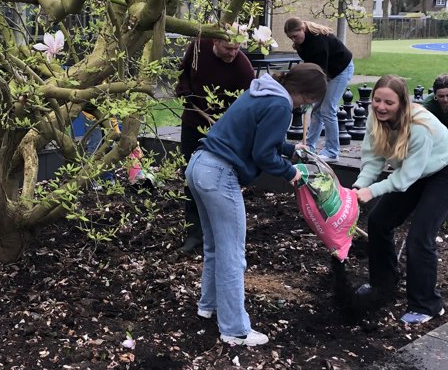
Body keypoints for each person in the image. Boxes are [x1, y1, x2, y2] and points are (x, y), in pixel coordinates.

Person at [185, 63, 327, 347]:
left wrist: (290, 149)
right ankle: (235, 330)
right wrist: (290, 172)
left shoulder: (262, 91)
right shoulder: (281, 106)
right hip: (219, 174)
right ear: (308, 95)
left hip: (199, 165)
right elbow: (263, 154)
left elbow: (254, 135)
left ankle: (208, 305)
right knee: (233, 254)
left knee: (214, 246)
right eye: (312, 100)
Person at [353, 75, 448, 324]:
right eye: (377, 100)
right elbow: (373, 159)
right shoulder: (376, 119)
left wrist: (372, 191)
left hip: (442, 171)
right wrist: (359, 186)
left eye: (389, 103)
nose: (381, 107)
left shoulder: (420, 126)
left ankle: (427, 305)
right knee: (378, 222)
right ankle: (383, 284)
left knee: (420, 236)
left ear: (403, 103)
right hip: (415, 170)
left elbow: (405, 179)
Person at [175, 37, 255, 253]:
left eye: (237, 49)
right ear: (216, 42)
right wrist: (184, 89)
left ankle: (221, 232)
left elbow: (249, 107)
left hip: (222, 132)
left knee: (219, 178)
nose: (233, 53)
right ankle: (194, 234)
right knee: (190, 176)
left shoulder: (244, 70)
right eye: (228, 48)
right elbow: (183, 71)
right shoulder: (199, 45)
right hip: (193, 121)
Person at [283, 18, 354, 161]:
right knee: (316, 110)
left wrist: (310, 94)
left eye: (295, 36)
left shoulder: (318, 42)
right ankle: (309, 146)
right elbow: (311, 67)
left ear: (303, 28)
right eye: (290, 37)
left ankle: (332, 152)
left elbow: (320, 75)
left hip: (340, 70)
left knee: (328, 109)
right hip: (325, 71)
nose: (294, 40)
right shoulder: (302, 44)